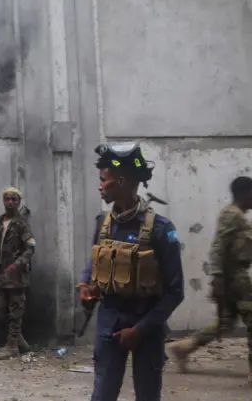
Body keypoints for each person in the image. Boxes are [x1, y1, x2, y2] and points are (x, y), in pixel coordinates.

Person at [77, 142, 184, 401]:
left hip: (146, 323)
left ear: (122, 180)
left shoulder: (160, 229)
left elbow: (175, 291)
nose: (100, 185)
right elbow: (93, 266)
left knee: (147, 394)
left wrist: (141, 330)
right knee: (102, 393)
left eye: (104, 180)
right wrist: (85, 287)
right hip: (109, 318)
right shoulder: (102, 223)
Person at [168, 176, 252, 384]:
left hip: (235, 278)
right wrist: (217, 279)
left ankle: (183, 348)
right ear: (245, 194)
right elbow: (218, 248)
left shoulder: (238, 216)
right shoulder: (232, 216)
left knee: (225, 323)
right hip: (235, 279)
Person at [0, 187, 35, 360]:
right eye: (7, 199)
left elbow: (30, 248)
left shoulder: (22, 224)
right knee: (0, 308)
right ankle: (19, 340)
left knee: (16, 310)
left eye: (14, 199)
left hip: (17, 276)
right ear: (3, 201)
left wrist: (16, 266)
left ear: (19, 202)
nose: (10, 202)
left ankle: (12, 347)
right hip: (0, 273)